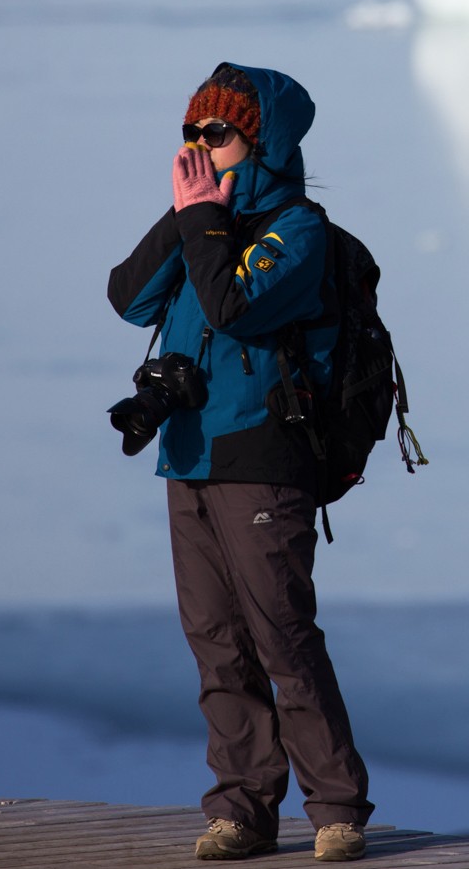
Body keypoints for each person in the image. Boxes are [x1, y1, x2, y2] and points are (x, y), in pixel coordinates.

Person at [105, 61, 372, 863]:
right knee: (216, 641)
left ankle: (337, 809)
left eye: (215, 132)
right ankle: (242, 810)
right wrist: (190, 211)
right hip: (187, 457)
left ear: (257, 140)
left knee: (281, 634)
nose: (199, 144)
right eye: (191, 131)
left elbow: (232, 304)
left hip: (262, 457)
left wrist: (204, 223)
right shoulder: (205, 220)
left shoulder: (301, 233)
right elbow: (127, 295)